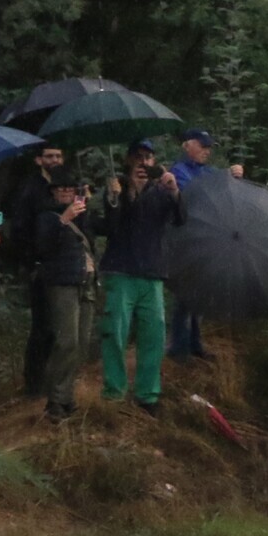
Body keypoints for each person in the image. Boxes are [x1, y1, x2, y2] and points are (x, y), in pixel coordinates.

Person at [93, 142, 187, 414]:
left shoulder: (162, 191)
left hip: (152, 273)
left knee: (153, 335)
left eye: (148, 158)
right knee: (115, 333)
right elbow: (111, 227)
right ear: (128, 161)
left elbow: (181, 219)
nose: (143, 163)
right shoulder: (117, 188)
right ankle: (114, 392)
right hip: (121, 270)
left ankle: (148, 394)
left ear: (154, 162)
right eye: (138, 158)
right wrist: (123, 196)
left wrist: (175, 190)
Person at [164, 130, 241, 363]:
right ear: (188, 146)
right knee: (186, 295)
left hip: (202, 242)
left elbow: (219, 186)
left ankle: (195, 344)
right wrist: (224, 177)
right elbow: (195, 194)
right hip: (183, 241)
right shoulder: (178, 171)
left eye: (209, 147)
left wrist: (232, 175)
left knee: (200, 294)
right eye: (203, 146)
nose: (207, 151)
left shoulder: (207, 171)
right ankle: (179, 347)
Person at [30, 169, 94, 422]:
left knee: (81, 343)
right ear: (53, 192)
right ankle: (55, 400)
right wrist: (64, 220)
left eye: (70, 187)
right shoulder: (46, 217)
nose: (66, 191)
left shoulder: (81, 215)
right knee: (65, 341)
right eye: (61, 188)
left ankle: (66, 397)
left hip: (85, 282)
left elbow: (101, 231)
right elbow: (43, 248)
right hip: (61, 284)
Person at [5, 143, 66, 398]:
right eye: (49, 156)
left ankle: (51, 382)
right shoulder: (30, 189)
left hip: (62, 266)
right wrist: (30, 262)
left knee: (58, 327)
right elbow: (19, 229)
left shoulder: (65, 185)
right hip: (39, 266)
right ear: (39, 160)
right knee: (42, 326)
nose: (55, 160)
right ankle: (33, 386)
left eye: (58, 155)